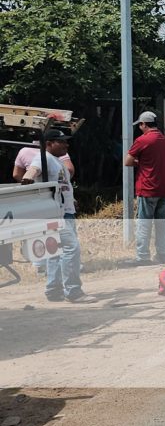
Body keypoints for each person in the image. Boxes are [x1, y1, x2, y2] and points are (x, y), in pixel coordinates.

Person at [22, 129, 93, 302]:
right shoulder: (43, 157)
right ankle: (73, 291)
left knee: (55, 251)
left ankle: (53, 290)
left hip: (64, 210)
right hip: (57, 214)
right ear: (48, 144)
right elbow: (32, 170)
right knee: (71, 248)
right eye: (61, 141)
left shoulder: (56, 161)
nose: (66, 144)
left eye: (66, 141)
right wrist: (28, 177)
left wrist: (71, 199)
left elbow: (62, 185)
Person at [124, 111, 165, 264]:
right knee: (161, 225)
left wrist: (140, 162)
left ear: (144, 124)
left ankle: (143, 257)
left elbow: (128, 161)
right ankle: (162, 255)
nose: (140, 127)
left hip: (147, 188)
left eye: (140, 125)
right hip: (163, 188)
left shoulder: (143, 140)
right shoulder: (164, 140)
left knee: (144, 224)